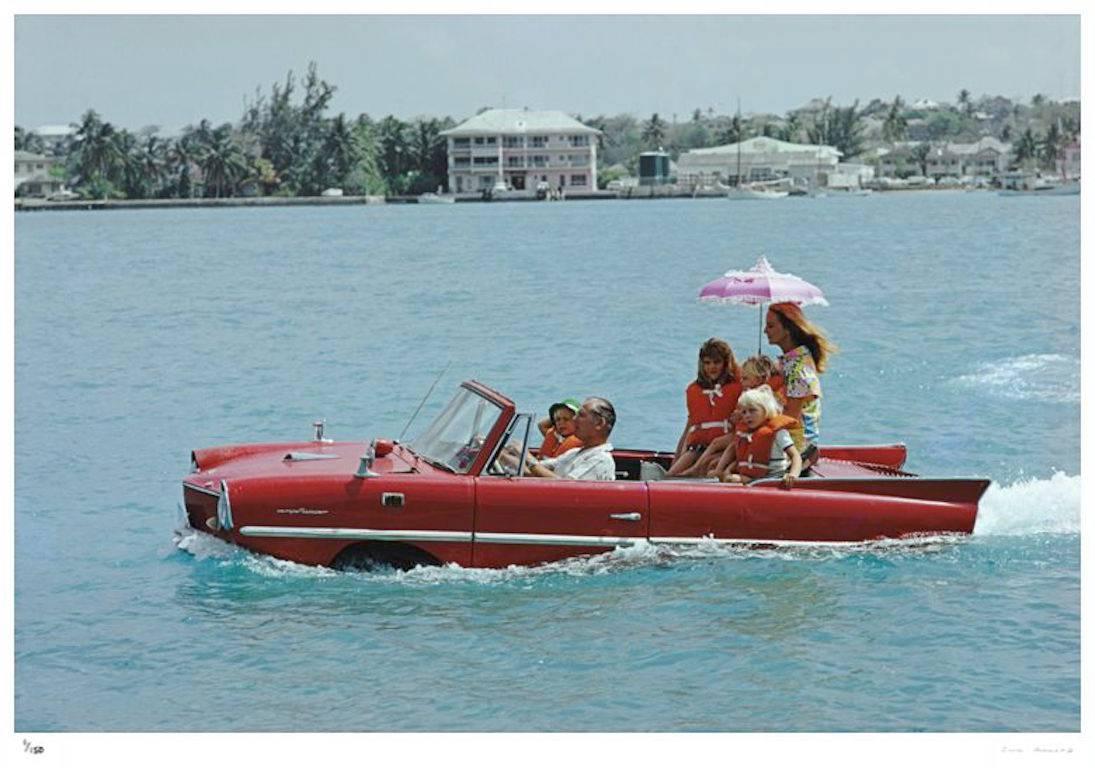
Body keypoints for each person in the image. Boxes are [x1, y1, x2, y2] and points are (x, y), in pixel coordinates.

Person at [680, 354, 780, 477]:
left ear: (758, 379)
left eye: (745, 379)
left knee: (721, 445)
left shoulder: (763, 394)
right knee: (717, 444)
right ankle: (698, 469)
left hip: (751, 434)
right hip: (742, 432)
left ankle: (704, 469)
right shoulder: (748, 394)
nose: (741, 382)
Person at [764, 302, 836, 463]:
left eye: (770, 326)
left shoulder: (798, 369)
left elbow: (791, 418)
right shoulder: (793, 361)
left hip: (798, 448)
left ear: (788, 329)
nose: (765, 331)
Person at [665, 338, 742, 477]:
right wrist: (676, 460)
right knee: (671, 476)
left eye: (717, 362)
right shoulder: (694, 390)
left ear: (726, 363)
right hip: (696, 448)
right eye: (707, 363)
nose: (711, 367)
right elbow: (689, 428)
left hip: (723, 449)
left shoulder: (738, 388)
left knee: (708, 465)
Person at [508, 397, 617, 481]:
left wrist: (528, 458)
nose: (574, 419)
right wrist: (504, 456)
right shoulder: (574, 453)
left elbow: (566, 488)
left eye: (581, 415)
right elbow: (537, 469)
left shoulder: (601, 460)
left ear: (599, 423)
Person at [716, 385, 802, 489]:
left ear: (766, 410)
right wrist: (722, 470)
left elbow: (795, 456)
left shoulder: (778, 433)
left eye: (752, 411)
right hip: (753, 478)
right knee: (729, 478)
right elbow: (736, 454)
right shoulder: (745, 434)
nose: (747, 415)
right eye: (744, 412)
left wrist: (793, 475)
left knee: (733, 480)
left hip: (773, 478)